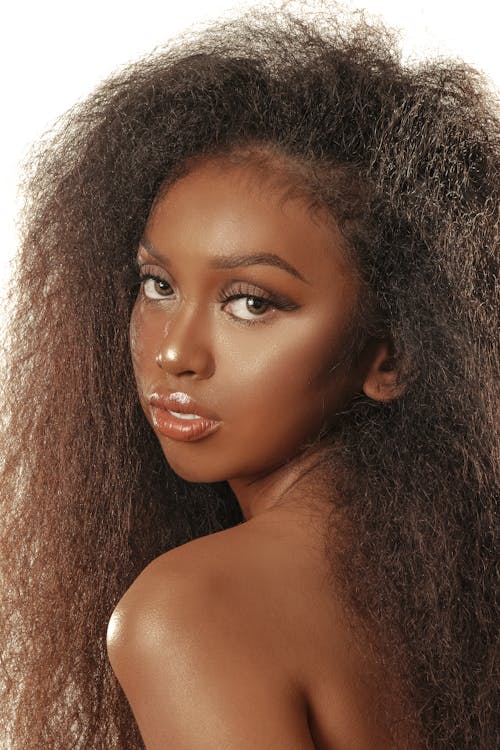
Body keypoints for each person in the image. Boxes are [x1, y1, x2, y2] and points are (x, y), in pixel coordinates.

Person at [0, 5, 497, 749]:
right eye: (158, 284)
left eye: (250, 303)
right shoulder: (448, 584)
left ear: (390, 356)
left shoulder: (192, 609)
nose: (175, 353)